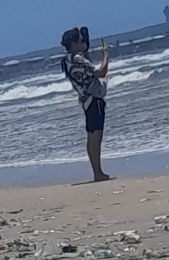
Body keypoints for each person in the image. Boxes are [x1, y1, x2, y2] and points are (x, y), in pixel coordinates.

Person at [60, 28, 111, 182]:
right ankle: (98, 173)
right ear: (74, 43)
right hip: (93, 99)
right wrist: (106, 54)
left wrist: (85, 50)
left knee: (92, 136)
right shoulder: (77, 59)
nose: (83, 43)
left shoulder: (67, 60)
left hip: (86, 100)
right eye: (81, 41)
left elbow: (87, 71)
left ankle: (97, 171)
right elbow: (101, 72)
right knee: (96, 137)